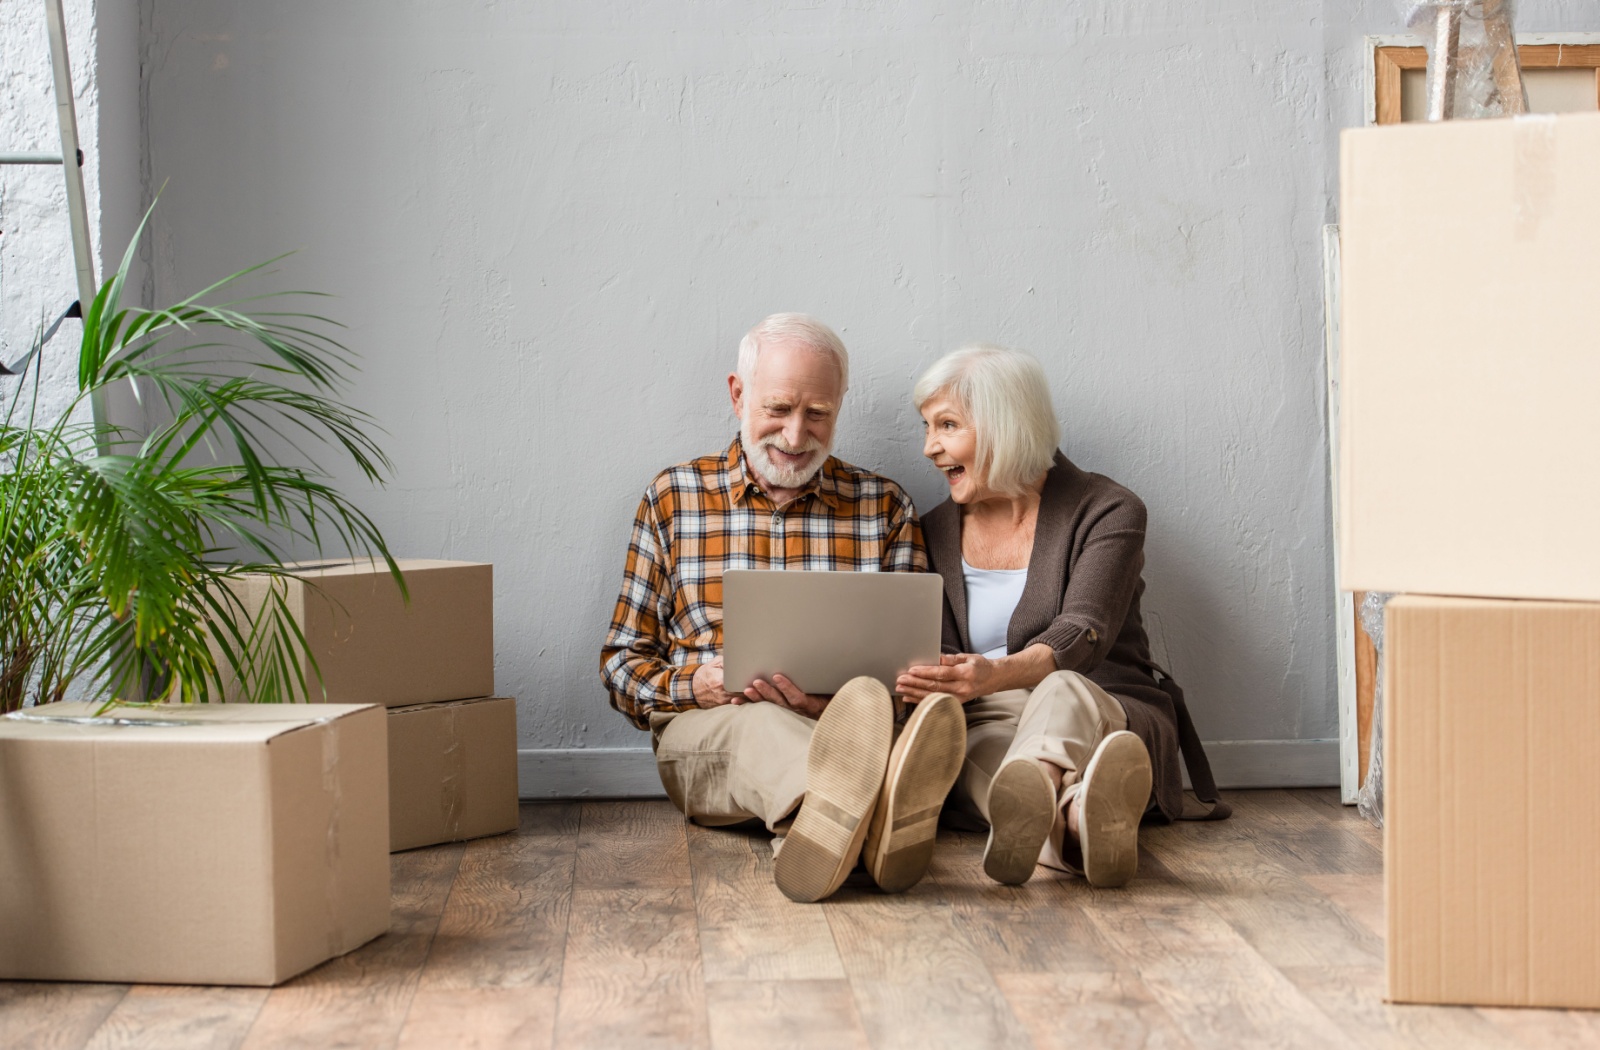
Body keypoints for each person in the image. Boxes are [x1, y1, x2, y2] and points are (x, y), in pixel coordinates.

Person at [600, 313, 965, 903]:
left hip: (845, 722)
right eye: (778, 409)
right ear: (738, 394)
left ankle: (822, 828)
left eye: (818, 414)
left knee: (866, 711)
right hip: (709, 730)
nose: (796, 437)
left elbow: (917, 662)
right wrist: (698, 686)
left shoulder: (884, 505)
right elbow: (620, 665)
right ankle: (878, 809)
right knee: (760, 724)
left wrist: (835, 705)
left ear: (840, 405)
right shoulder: (672, 498)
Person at [896, 344, 1228, 888]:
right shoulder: (932, 529)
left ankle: (1038, 786)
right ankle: (1074, 825)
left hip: (1104, 705)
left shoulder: (1109, 509)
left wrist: (994, 674)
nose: (930, 447)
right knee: (973, 745)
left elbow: (1083, 631)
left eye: (947, 425)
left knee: (1061, 690)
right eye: (927, 427)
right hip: (990, 715)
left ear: (1004, 425)